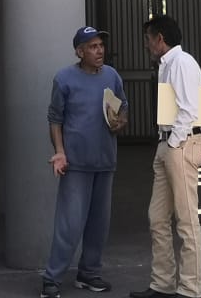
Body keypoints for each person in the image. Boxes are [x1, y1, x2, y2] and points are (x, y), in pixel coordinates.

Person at [41, 26, 129, 298]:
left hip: (104, 161)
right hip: (75, 163)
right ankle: (52, 278)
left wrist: (120, 122)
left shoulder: (112, 76)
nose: (99, 50)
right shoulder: (64, 78)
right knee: (69, 222)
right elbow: (55, 118)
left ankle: (89, 273)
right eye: (92, 46)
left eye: (100, 45)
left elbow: (122, 109)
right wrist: (60, 152)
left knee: (99, 223)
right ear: (80, 52)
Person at [131, 15, 201, 298]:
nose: (147, 45)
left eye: (149, 39)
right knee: (157, 217)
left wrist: (173, 143)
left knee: (186, 221)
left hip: (180, 143)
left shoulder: (181, 63)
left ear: (160, 38)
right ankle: (162, 284)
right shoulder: (169, 64)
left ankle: (190, 289)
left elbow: (188, 109)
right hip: (170, 143)